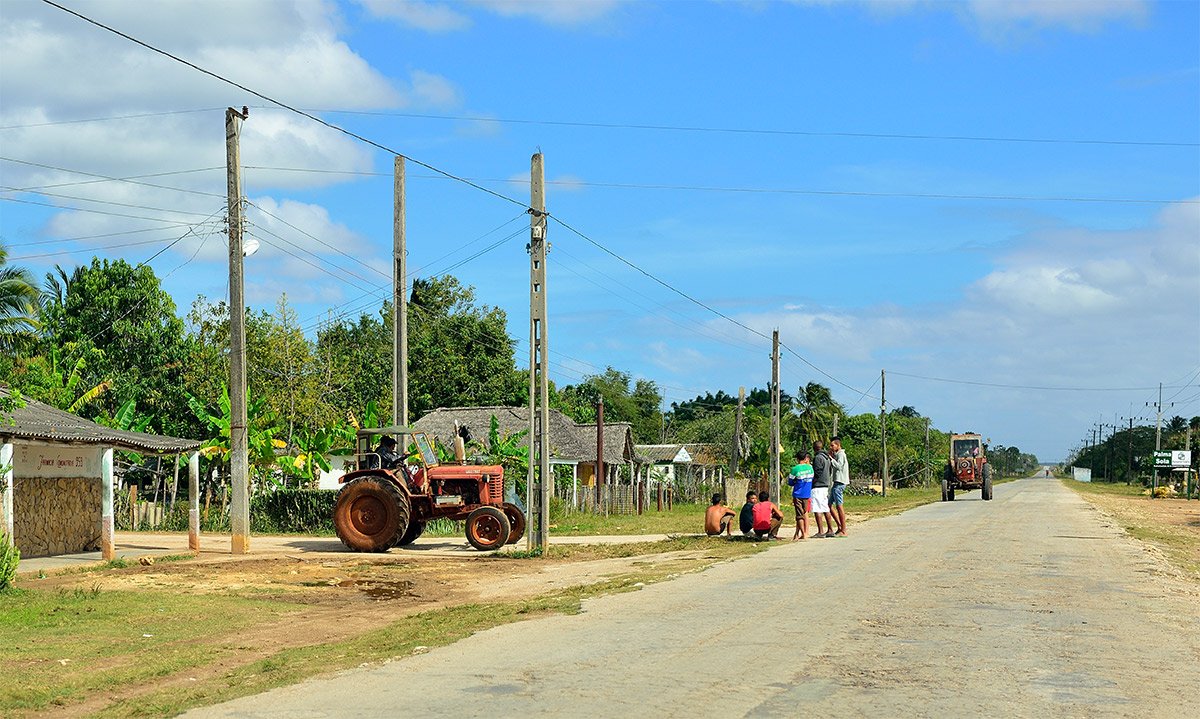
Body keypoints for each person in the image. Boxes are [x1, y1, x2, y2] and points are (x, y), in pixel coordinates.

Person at [786, 450, 813, 540]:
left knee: (799, 515)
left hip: (798, 494)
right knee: (805, 513)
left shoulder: (795, 469)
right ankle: (803, 532)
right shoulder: (810, 468)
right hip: (807, 494)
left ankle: (803, 533)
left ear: (797, 459)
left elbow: (790, 482)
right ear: (805, 458)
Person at [811, 439, 835, 538]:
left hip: (818, 485)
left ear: (814, 448)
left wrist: (813, 481)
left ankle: (820, 531)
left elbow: (817, 472)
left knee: (817, 509)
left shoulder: (817, 458)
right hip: (826, 484)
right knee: (825, 508)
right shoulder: (827, 457)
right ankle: (830, 529)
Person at [828, 436, 850, 537]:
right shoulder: (837, 454)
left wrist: (831, 459)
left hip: (840, 482)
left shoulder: (841, 455)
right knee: (828, 505)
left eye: (832, 445)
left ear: (838, 445)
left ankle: (844, 530)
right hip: (836, 482)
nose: (831, 447)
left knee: (839, 506)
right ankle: (840, 526)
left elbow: (839, 466)